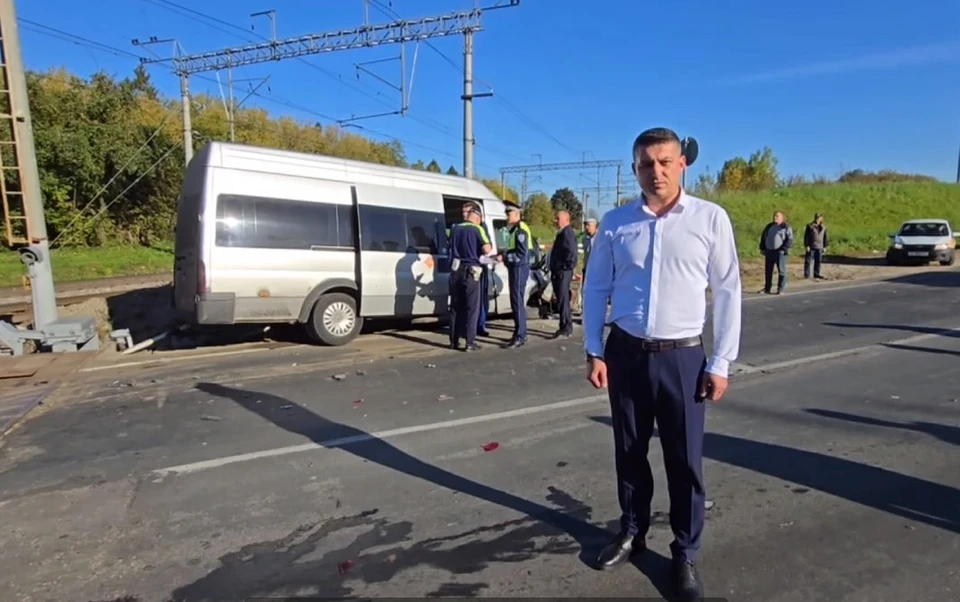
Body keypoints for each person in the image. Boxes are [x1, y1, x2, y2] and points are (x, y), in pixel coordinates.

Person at [582, 127, 742, 601]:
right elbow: (596, 287)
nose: (657, 172)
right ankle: (632, 531)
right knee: (629, 451)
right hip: (626, 353)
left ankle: (685, 552)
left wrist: (721, 361)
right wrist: (594, 348)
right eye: (646, 164)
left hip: (684, 358)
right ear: (635, 169)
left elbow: (728, 290)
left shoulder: (709, 219)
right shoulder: (616, 223)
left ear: (682, 164)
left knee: (684, 460)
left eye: (665, 162)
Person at [448, 203, 493, 352]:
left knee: (455, 307)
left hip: (456, 271)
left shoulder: (455, 228)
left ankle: (454, 341)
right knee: (472, 307)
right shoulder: (477, 229)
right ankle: (469, 342)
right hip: (471, 272)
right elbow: (487, 249)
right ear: (478, 218)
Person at [497, 199, 532, 348]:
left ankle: (520, 335)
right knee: (515, 301)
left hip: (519, 268)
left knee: (517, 301)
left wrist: (504, 258)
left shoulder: (520, 230)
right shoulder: (514, 230)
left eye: (509, 213)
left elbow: (521, 255)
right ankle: (519, 332)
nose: (506, 216)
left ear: (517, 214)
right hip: (515, 268)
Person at [549, 210, 577, 338]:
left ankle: (566, 327)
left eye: (558, 218)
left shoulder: (567, 233)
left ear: (566, 219)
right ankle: (563, 325)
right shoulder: (561, 233)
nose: (555, 221)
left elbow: (572, 253)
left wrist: (564, 268)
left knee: (563, 300)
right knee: (560, 300)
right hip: (559, 271)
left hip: (563, 272)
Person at [759, 210, 793, 294]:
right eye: (774, 216)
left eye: (777, 216)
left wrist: (783, 249)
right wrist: (762, 248)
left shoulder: (785, 227)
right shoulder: (769, 226)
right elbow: (764, 237)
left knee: (781, 271)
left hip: (780, 252)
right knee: (768, 271)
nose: (775, 217)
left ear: (782, 217)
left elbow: (789, 240)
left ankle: (780, 289)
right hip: (769, 251)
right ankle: (767, 288)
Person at [803, 212, 828, 279]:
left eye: (819, 218)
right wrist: (807, 245)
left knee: (818, 261)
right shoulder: (810, 226)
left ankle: (816, 274)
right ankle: (807, 275)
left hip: (820, 246)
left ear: (821, 219)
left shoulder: (823, 227)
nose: (817, 219)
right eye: (817, 218)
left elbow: (825, 237)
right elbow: (806, 236)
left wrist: (825, 246)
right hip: (811, 246)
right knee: (808, 261)